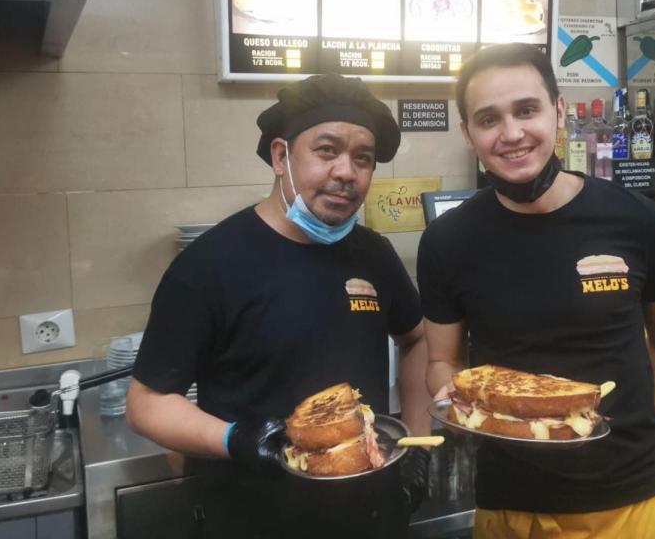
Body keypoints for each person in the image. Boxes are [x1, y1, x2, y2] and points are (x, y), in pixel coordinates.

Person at [126, 73, 433, 539]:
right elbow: (147, 404)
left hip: (371, 514)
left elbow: (416, 339)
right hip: (255, 516)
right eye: (326, 150)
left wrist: (415, 447)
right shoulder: (210, 265)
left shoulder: (374, 254)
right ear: (280, 156)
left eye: (362, 158)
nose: (346, 172)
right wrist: (236, 440)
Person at [417, 43, 655, 538]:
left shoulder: (638, 220)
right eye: (488, 119)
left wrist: (646, 437)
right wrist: (448, 389)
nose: (512, 134)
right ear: (468, 134)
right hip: (511, 504)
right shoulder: (446, 241)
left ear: (559, 110)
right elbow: (444, 359)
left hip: (635, 503)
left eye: (527, 110)